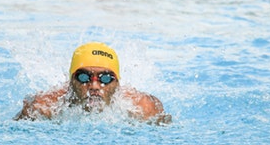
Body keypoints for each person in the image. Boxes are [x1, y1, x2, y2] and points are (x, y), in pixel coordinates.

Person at [15, 42, 171, 124]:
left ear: (117, 82)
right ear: (71, 81)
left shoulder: (144, 108)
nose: (94, 86)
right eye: (84, 77)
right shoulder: (42, 107)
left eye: (105, 78)